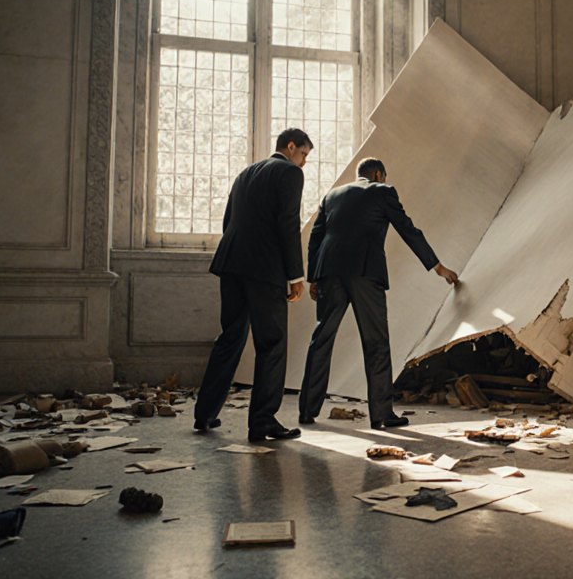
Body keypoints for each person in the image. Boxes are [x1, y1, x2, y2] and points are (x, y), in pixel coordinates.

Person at [299, 157, 459, 430]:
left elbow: (317, 237)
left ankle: (307, 411)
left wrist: (313, 277)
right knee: (376, 343)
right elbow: (408, 229)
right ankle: (382, 415)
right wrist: (437, 267)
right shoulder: (383, 191)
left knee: (321, 339)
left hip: (329, 272)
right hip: (364, 272)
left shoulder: (332, 195)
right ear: (378, 174)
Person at [194, 128, 312, 442]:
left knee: (230, 337)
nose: (303, 163)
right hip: (265, 268)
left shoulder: (245, 173)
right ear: (291, 147)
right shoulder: (289, 172)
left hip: (232, 263)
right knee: (271, 343)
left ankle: (203, 414)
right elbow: (288, 222)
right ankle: (262, 421)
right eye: (303, 155)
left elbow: (228, 220)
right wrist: (295, 276)